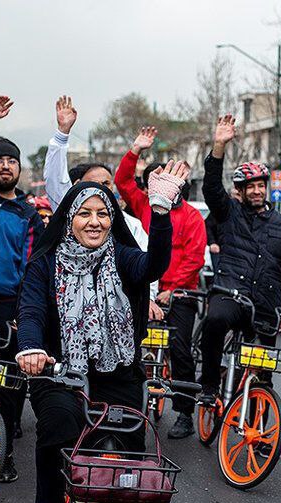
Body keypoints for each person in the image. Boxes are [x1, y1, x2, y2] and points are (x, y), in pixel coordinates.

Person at [16, 162, 188, 503]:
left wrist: (162, 210)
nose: (95, 221)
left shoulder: (124, 260)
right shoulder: (45, 265)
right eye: (84, 213)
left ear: (113, 220)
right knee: (57, 424)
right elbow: (31, 310)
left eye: (104, 214)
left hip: (119, 373)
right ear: (68, 220)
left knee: (129, 481)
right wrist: (31, 347)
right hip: (58, 368)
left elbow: (156, 264)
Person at [115, 126, 207, 439]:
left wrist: (170, 290)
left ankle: (183, 412)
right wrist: (135, 149)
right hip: (142, 290)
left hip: (179, 294)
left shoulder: (193, 216)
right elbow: (122, 182)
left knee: (180, 351)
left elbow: (195, 259)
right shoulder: (143, 205)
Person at [199, 114, 281, 400]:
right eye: (250, 186)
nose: (256, 190)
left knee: (262, 375)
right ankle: (209, 385)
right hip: (230, 293)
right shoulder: (228, 213)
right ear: (240, 191)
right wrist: (219, 146)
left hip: (265, 304)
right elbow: (211, 187)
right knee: (215, 320)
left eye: (260, 185)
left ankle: (260, 433)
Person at [42, 95, 164, 322]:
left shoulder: (131, 225)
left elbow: (147, 264)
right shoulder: (69, 214)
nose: (101, 191)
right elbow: (54, 180)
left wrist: (149, 297)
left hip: (114, 315)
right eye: (93, 184)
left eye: (106, 184)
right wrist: (62, 136)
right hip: (68, 311)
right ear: (77, 189)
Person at [0, 94, 44, 484]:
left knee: (7, 386)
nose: (6, 166)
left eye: (12, 160)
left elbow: (34, 269)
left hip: (8, 308)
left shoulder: (28, 215)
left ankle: (1, 454)